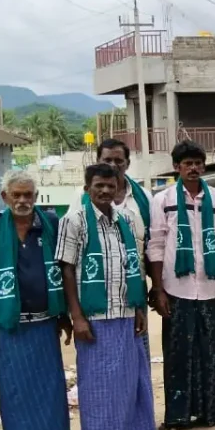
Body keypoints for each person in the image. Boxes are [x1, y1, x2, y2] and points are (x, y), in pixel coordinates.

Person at [57, 163, 155, 430]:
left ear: (117, 189)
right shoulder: (74, 220)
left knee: (128, 378)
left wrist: (139, 309)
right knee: (95, 382)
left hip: (125, 310)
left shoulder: (125, 219)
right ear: (88, 188)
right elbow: (67, 268)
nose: (104, 191)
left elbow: (134, 265)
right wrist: (77, 316)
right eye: (98, 185)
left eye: (110, 186)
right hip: (94, 314)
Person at [0, 171, 71, 430]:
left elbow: (63, 268)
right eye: (16, 195)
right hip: (10, 325)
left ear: (36, 195)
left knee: (49, 385)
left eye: (28, 195)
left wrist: (65, 315)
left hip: (45, 323)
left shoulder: (50, 223)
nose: (22, 200)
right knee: (13, 388)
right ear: (5, 197)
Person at [147, 141, 215, 430]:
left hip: (208, 287)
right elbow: (156, 245)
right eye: (188, 163)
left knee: (210, 352)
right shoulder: (163, 199)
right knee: (177, 353)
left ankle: (213, 411)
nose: (194, 168)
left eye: (198, 162)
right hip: (176, 287)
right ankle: (176, 417)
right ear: (177, 167)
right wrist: (158, 289)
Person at [73, 138, 154, 353]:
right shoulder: (79, 199)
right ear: (98, 160)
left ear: (127, 163)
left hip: (134, 288)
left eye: (118, 160)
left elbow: (152, 245)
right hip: (94, 289)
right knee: (100, 354)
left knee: (136, 349)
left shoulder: (143, 198)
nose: (112, 165)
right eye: (107, 159)